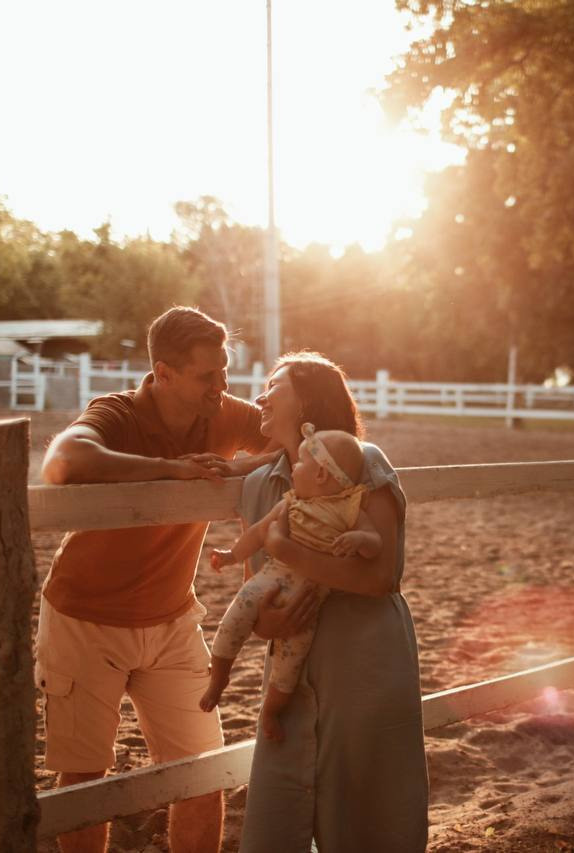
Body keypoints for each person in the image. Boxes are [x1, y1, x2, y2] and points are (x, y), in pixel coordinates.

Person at [35, 306, 318, 853]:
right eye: (206, 375)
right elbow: (63, 462)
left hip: (171, 619)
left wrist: (241, 464)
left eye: (225, 371)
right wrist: (169, 468)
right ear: (163, 374)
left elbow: (295, 453)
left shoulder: (222, 412)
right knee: (86, 780)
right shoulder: (117, 413)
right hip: (83, 617)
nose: (222, 386)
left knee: (201, 773)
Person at [236, 351, 429, 853]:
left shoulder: (364, 462)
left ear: (309, 401)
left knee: (371, 828)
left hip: (362, 667)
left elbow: (379, 577)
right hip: (290, 678)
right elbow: (255, 587)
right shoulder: (256, 487)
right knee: (274, 828)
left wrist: (287, 550)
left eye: (274, 385)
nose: (259, 395)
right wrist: (266, 624)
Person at [200, 423, 381, 745]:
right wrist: (232, 555)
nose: (293, 468)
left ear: (321, 474)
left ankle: (270, 711)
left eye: (299, 463)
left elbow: (375, 542)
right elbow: (258, 533)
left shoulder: (351, 508)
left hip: (307, 601)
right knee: (232, 622)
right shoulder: (290, 503)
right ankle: (219, 679)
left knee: (289, 666)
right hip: (270, 580)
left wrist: (360, 539)